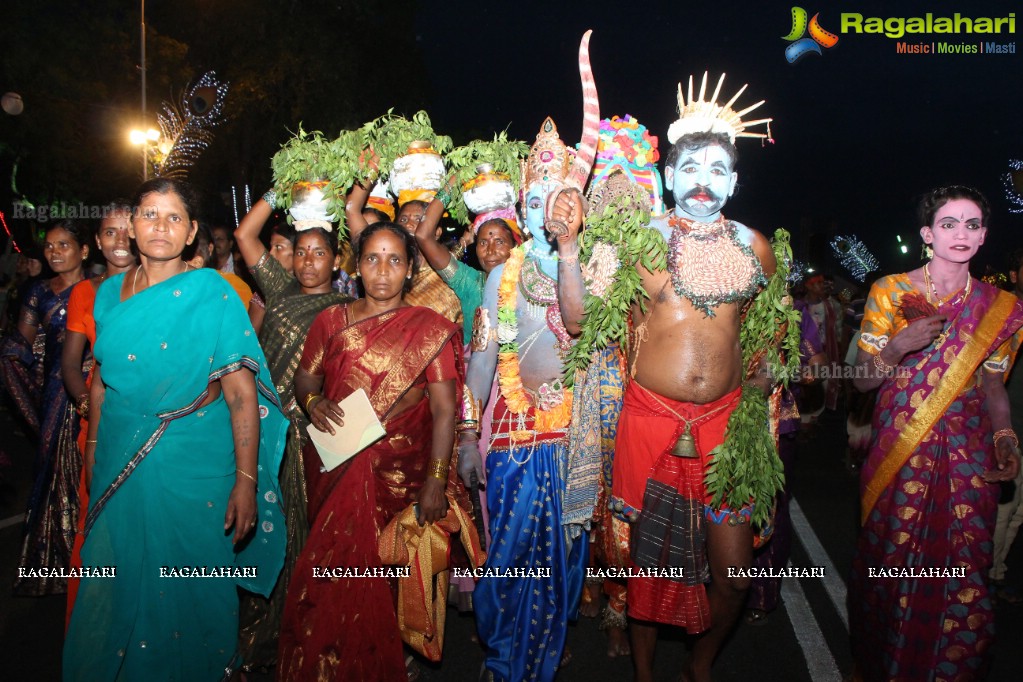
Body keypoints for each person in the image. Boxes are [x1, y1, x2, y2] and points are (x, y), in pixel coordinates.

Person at [554, 75, 782, 682]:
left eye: (716, 170)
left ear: (734, 181)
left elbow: (768, 331)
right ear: (670, 176)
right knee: (645, 575)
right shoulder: (637, 245)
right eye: (690, 168)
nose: (702, 181)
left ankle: (699, 667)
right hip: (650, 424)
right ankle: (646, 675)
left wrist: (763, 379)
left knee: (734, 577)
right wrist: (572, 252)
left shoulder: (755, 248)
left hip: (726, 431)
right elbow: (578, 321)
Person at [63, 178, 288, 680]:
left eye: (173, 217)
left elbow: (240, 393)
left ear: (190, 234)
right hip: (118, 451)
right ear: (131, 227)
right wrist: (94, 448)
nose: (159, 226)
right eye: (148, 214)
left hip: (195, 463)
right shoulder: (105, 296)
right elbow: (100, 380)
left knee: (194, 584)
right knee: (116, 578)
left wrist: (246, 482)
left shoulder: (211, 292)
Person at [848, 185, 1023, 680]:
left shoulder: (999, 307)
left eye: (971, 224)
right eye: (949, 224)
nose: (961, 233)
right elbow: (863, 379)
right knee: (892, 559)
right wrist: (897, 346)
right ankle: (878, 661)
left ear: (984, 235)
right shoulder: (890, 291)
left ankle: (951, 669)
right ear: (928, 234)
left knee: (965, 564)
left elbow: (992, 386)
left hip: (968, 452)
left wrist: (1005, 438)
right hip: (898, 450)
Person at [277, 222, 464, 680]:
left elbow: (444, 411)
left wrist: (437, 479)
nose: (383, 271)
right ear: (356, 266)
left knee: (392, 563)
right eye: (372, 259)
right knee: (333, 567)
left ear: (410, 269)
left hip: (404, 468)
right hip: (339, 465)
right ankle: (331, 657)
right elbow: (306, 378)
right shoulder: (331, 322)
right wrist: (313, 401)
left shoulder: (431, 329)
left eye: (395, 260)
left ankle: (390, 657)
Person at [459, 114, 599, 682]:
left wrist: (568, 254)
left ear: (577, 202)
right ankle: (503, 655)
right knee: (509, 557)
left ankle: (542, 650)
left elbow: (578, 321)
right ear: (523, 202)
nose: (550, 206)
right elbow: (481, 362)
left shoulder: (594, 266)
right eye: (538, 195)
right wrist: (469, 437)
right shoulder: (500, 278)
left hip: (572, 437)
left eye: (561, 195)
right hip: (514, 438)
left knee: (565, 562)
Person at [232, 193, 351, 673]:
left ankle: (307, 629)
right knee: (268, 532)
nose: (307, 261)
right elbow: (245, 234)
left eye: (319, 252)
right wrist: (283, 189)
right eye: (300, 251)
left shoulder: (348, 306)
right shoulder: (279, 291)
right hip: (268, 434)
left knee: (312, 537)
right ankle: (263, 628)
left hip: (320, 438)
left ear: (338, 260)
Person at [3, 219, 89, 596]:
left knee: (93, 471)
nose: (54, 253)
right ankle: (51, 567)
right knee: (50, 469)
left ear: (84, 250)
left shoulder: (100, 290)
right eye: (49, 246)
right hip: (56, 393)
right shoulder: (38, 292)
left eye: (63, 245)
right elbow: (20, 345)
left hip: (100, 390)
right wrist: (14, 354)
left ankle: (92, 564)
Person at [62, 201, 137, 626]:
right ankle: (95, 623)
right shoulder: (85, 293)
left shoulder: (159, 287)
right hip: (100, 419)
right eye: (110, 232)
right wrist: (88, 404)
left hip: (152, 421)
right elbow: (72, 364)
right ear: (96, 241)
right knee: (97, 521)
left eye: (128, 231)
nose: (120, 241)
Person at [414, 176, 520, 346]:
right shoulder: (470, 282)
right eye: (483, 243)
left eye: (499, 241)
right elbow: (423, 235)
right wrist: (454, 180)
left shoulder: (531, 282)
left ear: (516, 245)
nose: (490, 251)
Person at [346, 181, 463, 327]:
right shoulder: (378, 264)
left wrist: (453, 181)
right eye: (403, 219)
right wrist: (372, 165)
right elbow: (352, 209)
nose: (409, 224)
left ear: (437, 232)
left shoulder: (448, 277)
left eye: (418, 219)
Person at [990, 248, 1023, 604]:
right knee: (1001, 512)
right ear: (1014, 276)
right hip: (1008, 432)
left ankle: (996, 571)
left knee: (1017, 514)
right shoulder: (1002, 316)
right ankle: (983, 577)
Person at [248, 220, 296, 335]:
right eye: (271, 247)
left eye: (278, 247)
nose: (271, 253)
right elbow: (251, 341)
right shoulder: (264, 293)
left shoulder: (315, 289)